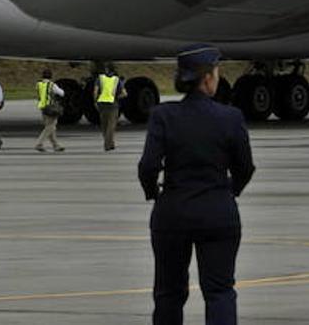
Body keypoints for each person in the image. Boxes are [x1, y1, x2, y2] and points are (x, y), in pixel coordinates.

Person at [138, 45, 254, 325]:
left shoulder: (163, 115)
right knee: (220, 291)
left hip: (174, 211)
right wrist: (229, 191)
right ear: (207, 79)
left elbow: (148, 166)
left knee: (168, 293)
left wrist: (154, 193)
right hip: (218, 211)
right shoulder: (230, 117)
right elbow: (245, 167)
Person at [34, 68, 65, 153]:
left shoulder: (39, 84)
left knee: (51, 127)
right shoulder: (52, 85)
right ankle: (39, 144)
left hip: (42, 107)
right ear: (51, 76)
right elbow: (61, 93)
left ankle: (56, 145)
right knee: (50, 127)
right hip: (51, 107)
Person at [95, 65, 125, 152]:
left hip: (102, 104)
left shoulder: (100, 78)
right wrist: (116, 97)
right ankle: (108, 144)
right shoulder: (116, 80)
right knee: (111, 126)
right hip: (113, 104)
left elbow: (95, 91)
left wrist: (95, 101)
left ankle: (110, 143)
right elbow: (124, 93)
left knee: (104, 125)